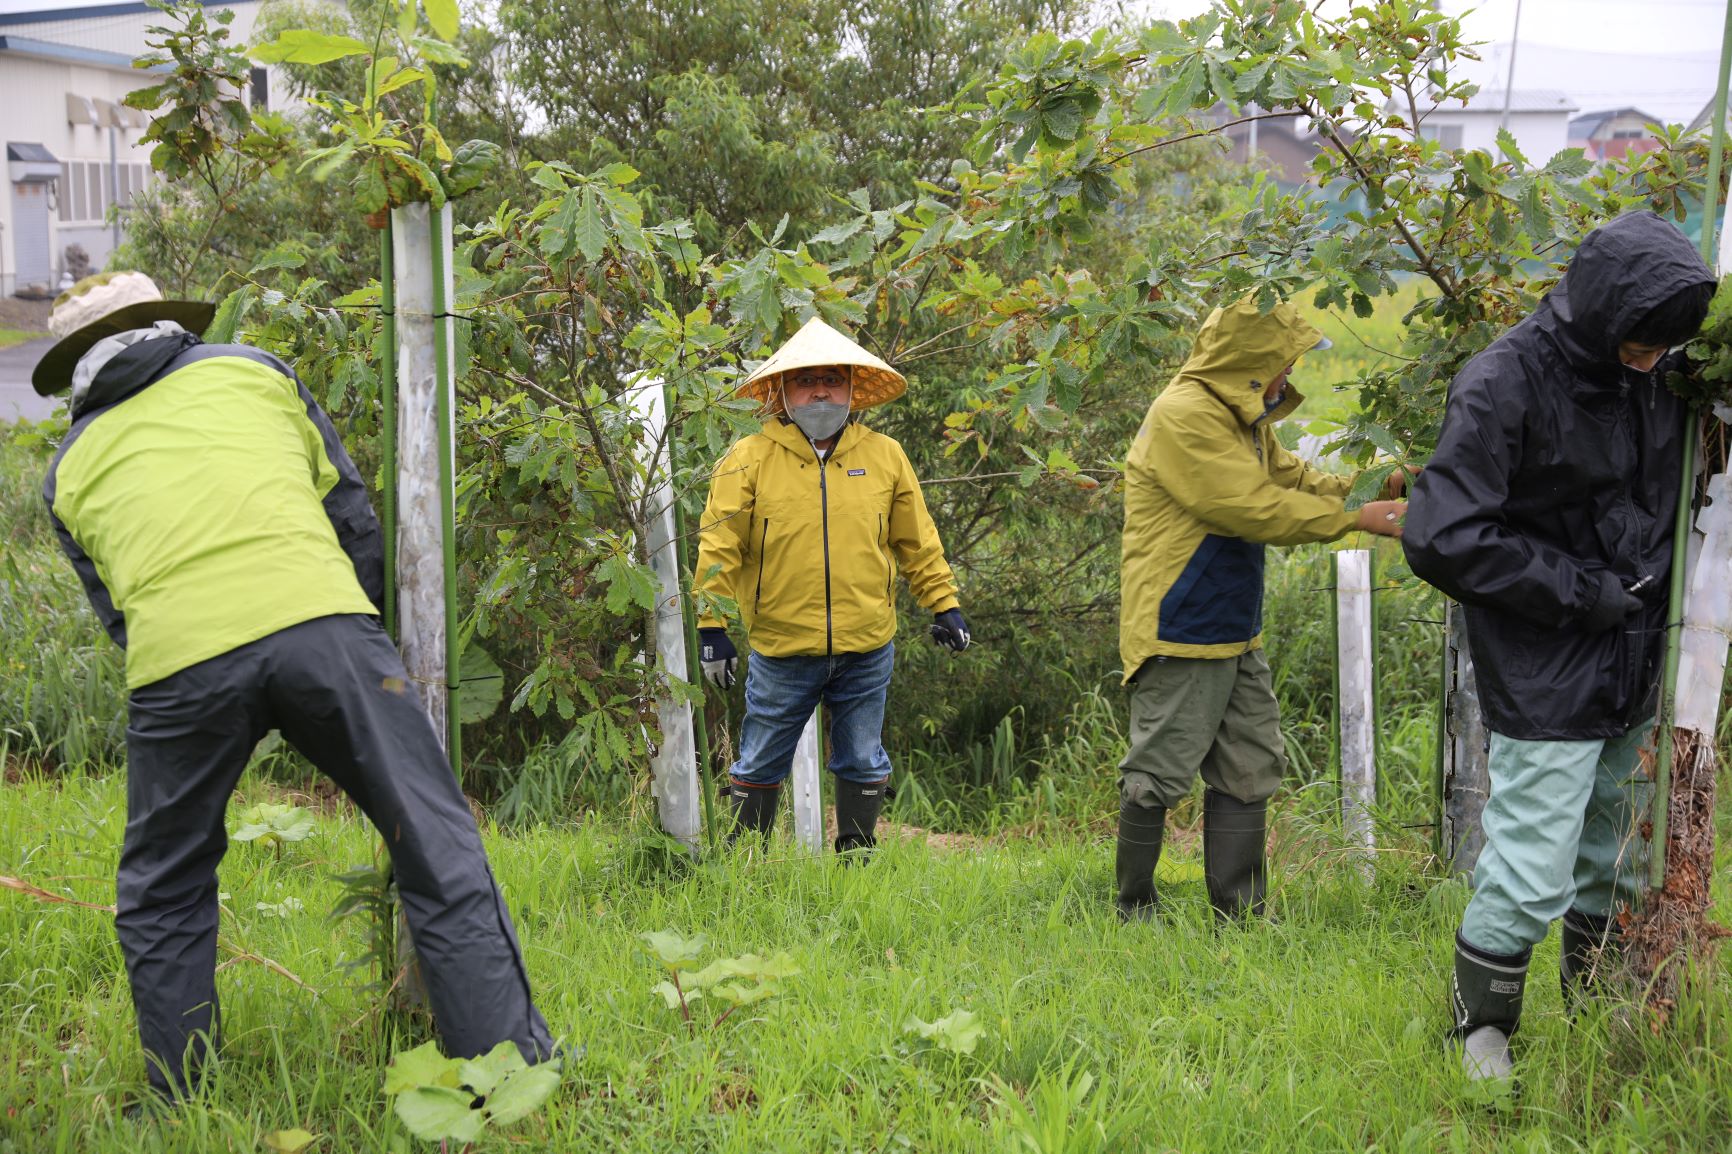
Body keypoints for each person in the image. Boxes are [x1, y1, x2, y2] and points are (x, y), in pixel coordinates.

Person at [34, 272, 555, 1103]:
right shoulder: (252, 370)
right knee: (433, 838)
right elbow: (351, 515)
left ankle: (179, 1097)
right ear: (165, 324)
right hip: (321, 623)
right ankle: (507, 1079)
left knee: (164, 884)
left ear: (76, 370)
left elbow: (118, 615)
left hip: (177, 664)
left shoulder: (67, 467)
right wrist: (359, 642)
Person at [1402, 210, 1715, 1083]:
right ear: (1604, 315)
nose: (1653, 361)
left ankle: (1600, 1010)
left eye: (1662, 349)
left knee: (1610, 852)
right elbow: (1443, 534)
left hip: (1634, 653)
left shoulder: (1654, 377)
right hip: (1547, 662)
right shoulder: (1506, 381)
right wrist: (1581, 591)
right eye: (1642, 345)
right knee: (1534, 860)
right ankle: (1480, 1033)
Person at [1116, 297, 1409, 924]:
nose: (1287, 379)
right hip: (1178, 625)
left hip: (1232, 626)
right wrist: (1357, 519)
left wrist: (1374, 485)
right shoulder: (1184, 416)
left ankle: (1241, 915)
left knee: (1251, 766)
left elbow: (1292, 481)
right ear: (1249, 364)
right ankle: (1132, 910)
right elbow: (1249, 506)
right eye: (1282, 364)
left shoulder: (1241, 417)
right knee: (1158, 774)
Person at [694, 317, 969, 853]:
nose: (820, 390)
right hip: (781, 645)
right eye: (805, 379)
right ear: (781, 391)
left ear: (850, 389)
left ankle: (856, 870)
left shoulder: (885, 456)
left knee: (863, 757)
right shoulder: (747, 459)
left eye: (832, 379)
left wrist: (944, 605)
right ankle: (743, 870)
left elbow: (917, 541)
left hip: (867, 646)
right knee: (759, 758)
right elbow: (718, 546)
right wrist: (712, 625)